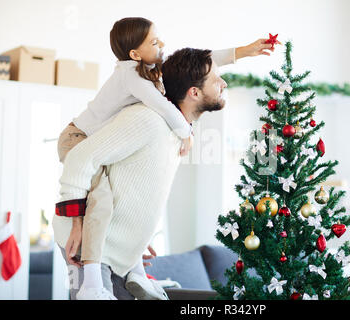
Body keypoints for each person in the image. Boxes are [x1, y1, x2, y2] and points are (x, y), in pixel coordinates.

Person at [55, 17, 280, 300]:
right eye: (215, 79)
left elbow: (132, 185)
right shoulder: (149, 118)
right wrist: (75, 222)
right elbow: (79, 160)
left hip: (118, 252)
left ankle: (137, 271)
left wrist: (243, 51)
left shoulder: (167, 122)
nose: (222, 82)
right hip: (88, 248)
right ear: (194, 92)